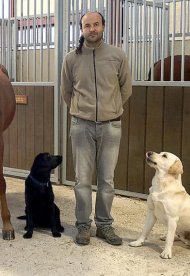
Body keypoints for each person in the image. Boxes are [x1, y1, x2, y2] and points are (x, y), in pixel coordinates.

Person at [60, 11, 132, 246]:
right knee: (82, 179)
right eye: (87, 25)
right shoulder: (71, 59)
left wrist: (111, 110)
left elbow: (126, 88)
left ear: (103, 26)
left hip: (111, 126)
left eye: (96, 24)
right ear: (81, 29)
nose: (92, 29)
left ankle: (104, 225)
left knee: (107, 180)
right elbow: (66, 91)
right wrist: (82, 111)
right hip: (81, 126)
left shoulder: (117, 56)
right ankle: (83, 226)